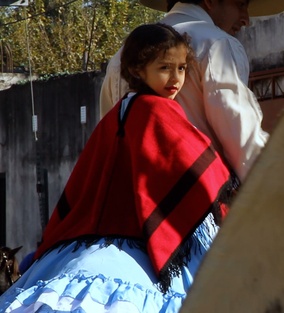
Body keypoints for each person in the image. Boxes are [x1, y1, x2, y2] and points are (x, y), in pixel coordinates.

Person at [0, 23, 236, 313]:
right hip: (138, 242)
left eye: (182, 68)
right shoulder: (159, 110)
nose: (176, 78)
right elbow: (206, 176)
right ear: (137, 70)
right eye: (164, 67)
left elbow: (81, 184)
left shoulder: (117, 113)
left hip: (86, 242)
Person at [100, 0, 284, 183]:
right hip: (197, 203)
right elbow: (244, 146)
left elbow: (109, 144)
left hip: (137, 206)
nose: (246, 19)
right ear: (209, 0)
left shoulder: (120, 58)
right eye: (240, 4)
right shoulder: (217, 44)